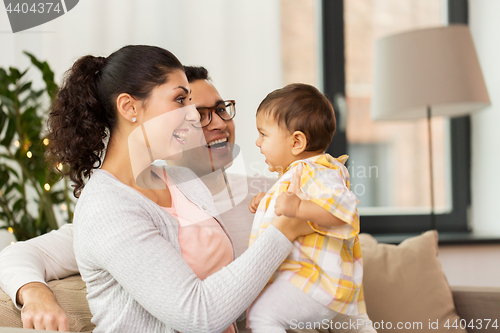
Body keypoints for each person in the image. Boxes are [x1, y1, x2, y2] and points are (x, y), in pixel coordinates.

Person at [0, 46, 311, 333]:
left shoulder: (182, 181)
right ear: (129, 107)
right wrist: (284, 231)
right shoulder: (108, 208)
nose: (194, 117)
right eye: (181, 100)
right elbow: (198, 315)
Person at [246, 83, 376, 332]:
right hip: (328, 284)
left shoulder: (316, 170)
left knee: (262, 316)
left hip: (316, 280)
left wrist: (296, 207)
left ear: (297, 142)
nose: (257, 142)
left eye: (264, 134)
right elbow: (298, 203)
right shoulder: (301, 173)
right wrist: (267, 201)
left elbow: (343, 210)